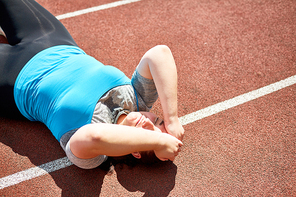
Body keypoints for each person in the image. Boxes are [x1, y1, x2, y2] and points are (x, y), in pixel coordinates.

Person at [0, 0, 184, 170]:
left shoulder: (95, 156)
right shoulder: (139, 98)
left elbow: (92, 136)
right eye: (157, 121)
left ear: (136, 151)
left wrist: (160, 142)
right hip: (53, 42)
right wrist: (172, 119)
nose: (148, 122)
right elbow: (159, 54)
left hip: (13, 79)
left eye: (150, 135)